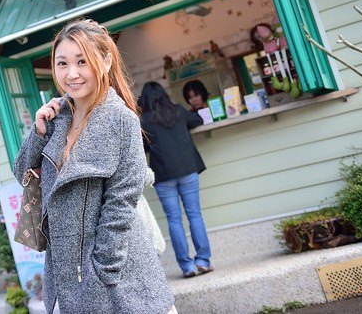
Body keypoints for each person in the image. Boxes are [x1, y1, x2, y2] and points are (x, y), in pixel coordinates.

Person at [13, 19, 176, 314]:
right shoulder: (56, 116)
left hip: (118, 280)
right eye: (62, 63)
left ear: (105, 61)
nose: (71, 74)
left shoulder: (120, 119)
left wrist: (102, 269)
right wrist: (37, 133)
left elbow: (122, 202)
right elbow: (22, 175)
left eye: (82, 62)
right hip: (66, 276)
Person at [139, 81, 213, 278]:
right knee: (194, 214)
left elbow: (142, 147)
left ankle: (187, 267)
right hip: (187, 169)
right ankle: (203, 260)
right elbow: (197, 120)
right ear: (164, 95)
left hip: (163, 175)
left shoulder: (143, 121)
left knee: (174, 220)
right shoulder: (179, 111)